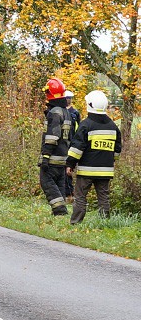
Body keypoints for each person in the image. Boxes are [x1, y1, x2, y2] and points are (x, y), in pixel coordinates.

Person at [66, 90, 122, 224]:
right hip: (105, 171)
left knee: (80, 197)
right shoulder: (113, 126)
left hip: (87, 170)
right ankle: (105, 223)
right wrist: (110, 161)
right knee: (104, 198)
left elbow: (77, 148)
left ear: (89, 105)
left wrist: (70, 164)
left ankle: (75, 223)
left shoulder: (86, 125)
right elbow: (117, 150)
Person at [39, 78, 72, 216]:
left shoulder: (55, 112)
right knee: (59, 184)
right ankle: (60, 212)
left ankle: (60, 210)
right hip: (63, 157)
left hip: (52, 157)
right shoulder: (66, 112)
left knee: (46, 181)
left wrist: (45, 156)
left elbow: (52, 136)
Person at [63, 90, 81, 201]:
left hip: (71, 144)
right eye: (66, 97)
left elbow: (79, 128)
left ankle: (70, 193)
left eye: (70, 97)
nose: (68, 99)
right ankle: (64, 193)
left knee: (68, 168)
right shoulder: (60, 111)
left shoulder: (75, 112)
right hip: (62, 143)